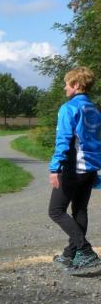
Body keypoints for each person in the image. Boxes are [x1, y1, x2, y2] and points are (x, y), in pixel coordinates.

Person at [48, 66, 101, 274]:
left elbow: (63, 140)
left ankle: (85, 251)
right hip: (90, 169)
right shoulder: (94, 109)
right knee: (80, 210)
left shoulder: (69, 108)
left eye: (66, 84)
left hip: (73, 168)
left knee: (55, 211)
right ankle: (69, 256)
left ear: (76, 85)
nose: (64, 88)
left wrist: (55, 168)